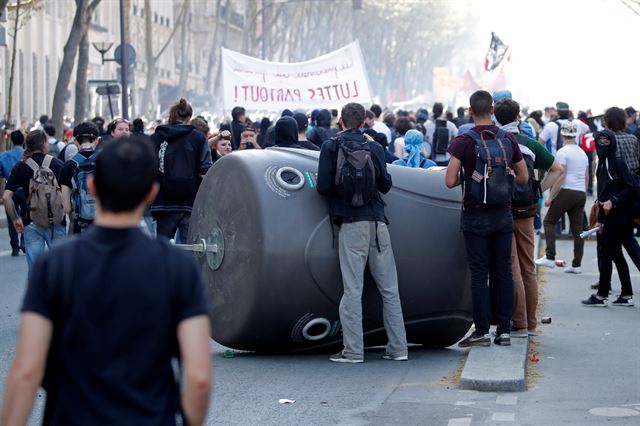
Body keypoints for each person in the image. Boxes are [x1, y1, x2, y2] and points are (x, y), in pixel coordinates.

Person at [0, 136, 212, 425]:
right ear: (151, 194)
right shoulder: (178, 268)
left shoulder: (56, 265)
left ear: (92, 187)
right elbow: (199, 377)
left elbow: (27, 371)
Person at [317, 102, 408, 363]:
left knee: (353, 289)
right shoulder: (375, 147)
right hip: (378, 224)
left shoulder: (331, 146)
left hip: (350, 224)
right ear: (364, 122)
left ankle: (354, 351)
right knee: (390, 289)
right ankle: (398, 348)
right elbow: (386, 185)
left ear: (342, 121)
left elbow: (323, 187)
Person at [445, 90, 528, 347]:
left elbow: (449, 181)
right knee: (503, 272)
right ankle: (504, 330)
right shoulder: (507, 139)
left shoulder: (463, 141)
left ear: (470, 111)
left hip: (475, 216)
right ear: (492, 110)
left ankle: (481, 331)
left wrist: (471, 178)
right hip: (503, 214)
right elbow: (524, 177)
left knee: (480, 274)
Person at [494, 99, 563, 335]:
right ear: (517, 118)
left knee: (511, 265)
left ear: (495, 116)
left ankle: (519, 321)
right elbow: (558, 170)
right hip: (526, 208)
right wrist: (539, 189)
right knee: (527, 266)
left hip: (502, 207)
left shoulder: (495, 141)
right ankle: (531, 322)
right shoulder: (529, 143)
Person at [582, 129, 638, 307]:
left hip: (618, 215)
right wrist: (600, 218)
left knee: (607, 253)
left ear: (612, 143)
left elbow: (631, 187)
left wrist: (613, 201)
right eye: (600, 141)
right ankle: (626, 294)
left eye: (607, 141)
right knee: (616, 254)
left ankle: (601, 295)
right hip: (611, 216)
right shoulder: (602, 163)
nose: (602, 145)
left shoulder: (617, 163)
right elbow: (603, 193)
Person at [2, 130, 66, 272]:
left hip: (31, 221)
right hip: (56, 222)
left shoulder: (20, 166)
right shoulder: (57, 164)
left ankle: (39, 293)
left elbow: (6, 197)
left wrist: (15, 219)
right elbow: (68, 194)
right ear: (44, 144)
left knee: (35, 270)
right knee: (61, 268)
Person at [150, 98, 212, 242]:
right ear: (189, 118)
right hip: (190, 203)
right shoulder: (198, 138)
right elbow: (206, 170)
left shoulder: (156, 138)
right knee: (191, 250)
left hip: (163, 203)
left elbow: (148, 169)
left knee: (163, 251)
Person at [536, 122, 588, 273]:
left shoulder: (562, 152)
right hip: (580, 193)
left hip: (567, 191)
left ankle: (550, 257)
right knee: (578, 230)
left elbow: (561, 175)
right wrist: (583, 193)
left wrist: (550, 196)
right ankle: (576, 265)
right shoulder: (582, 153)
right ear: (576, 134)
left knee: (549, 221)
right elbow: (586, 176)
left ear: (562, 134)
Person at [59, 121, 100, 234]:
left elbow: (66, 208)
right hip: (103, 228)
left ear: (75, 141)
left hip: (80, 227)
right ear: (97, 140)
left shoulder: (68, 166)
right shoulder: (106, 162)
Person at [0, 130, 26, 256]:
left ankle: (15, 246)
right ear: (23, 141)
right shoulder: (27, 155)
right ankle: (24, 242)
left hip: (10, 190)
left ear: (11, 141)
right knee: (27, 217)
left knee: (12, 217)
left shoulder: (4, 156)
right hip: (26, 190)